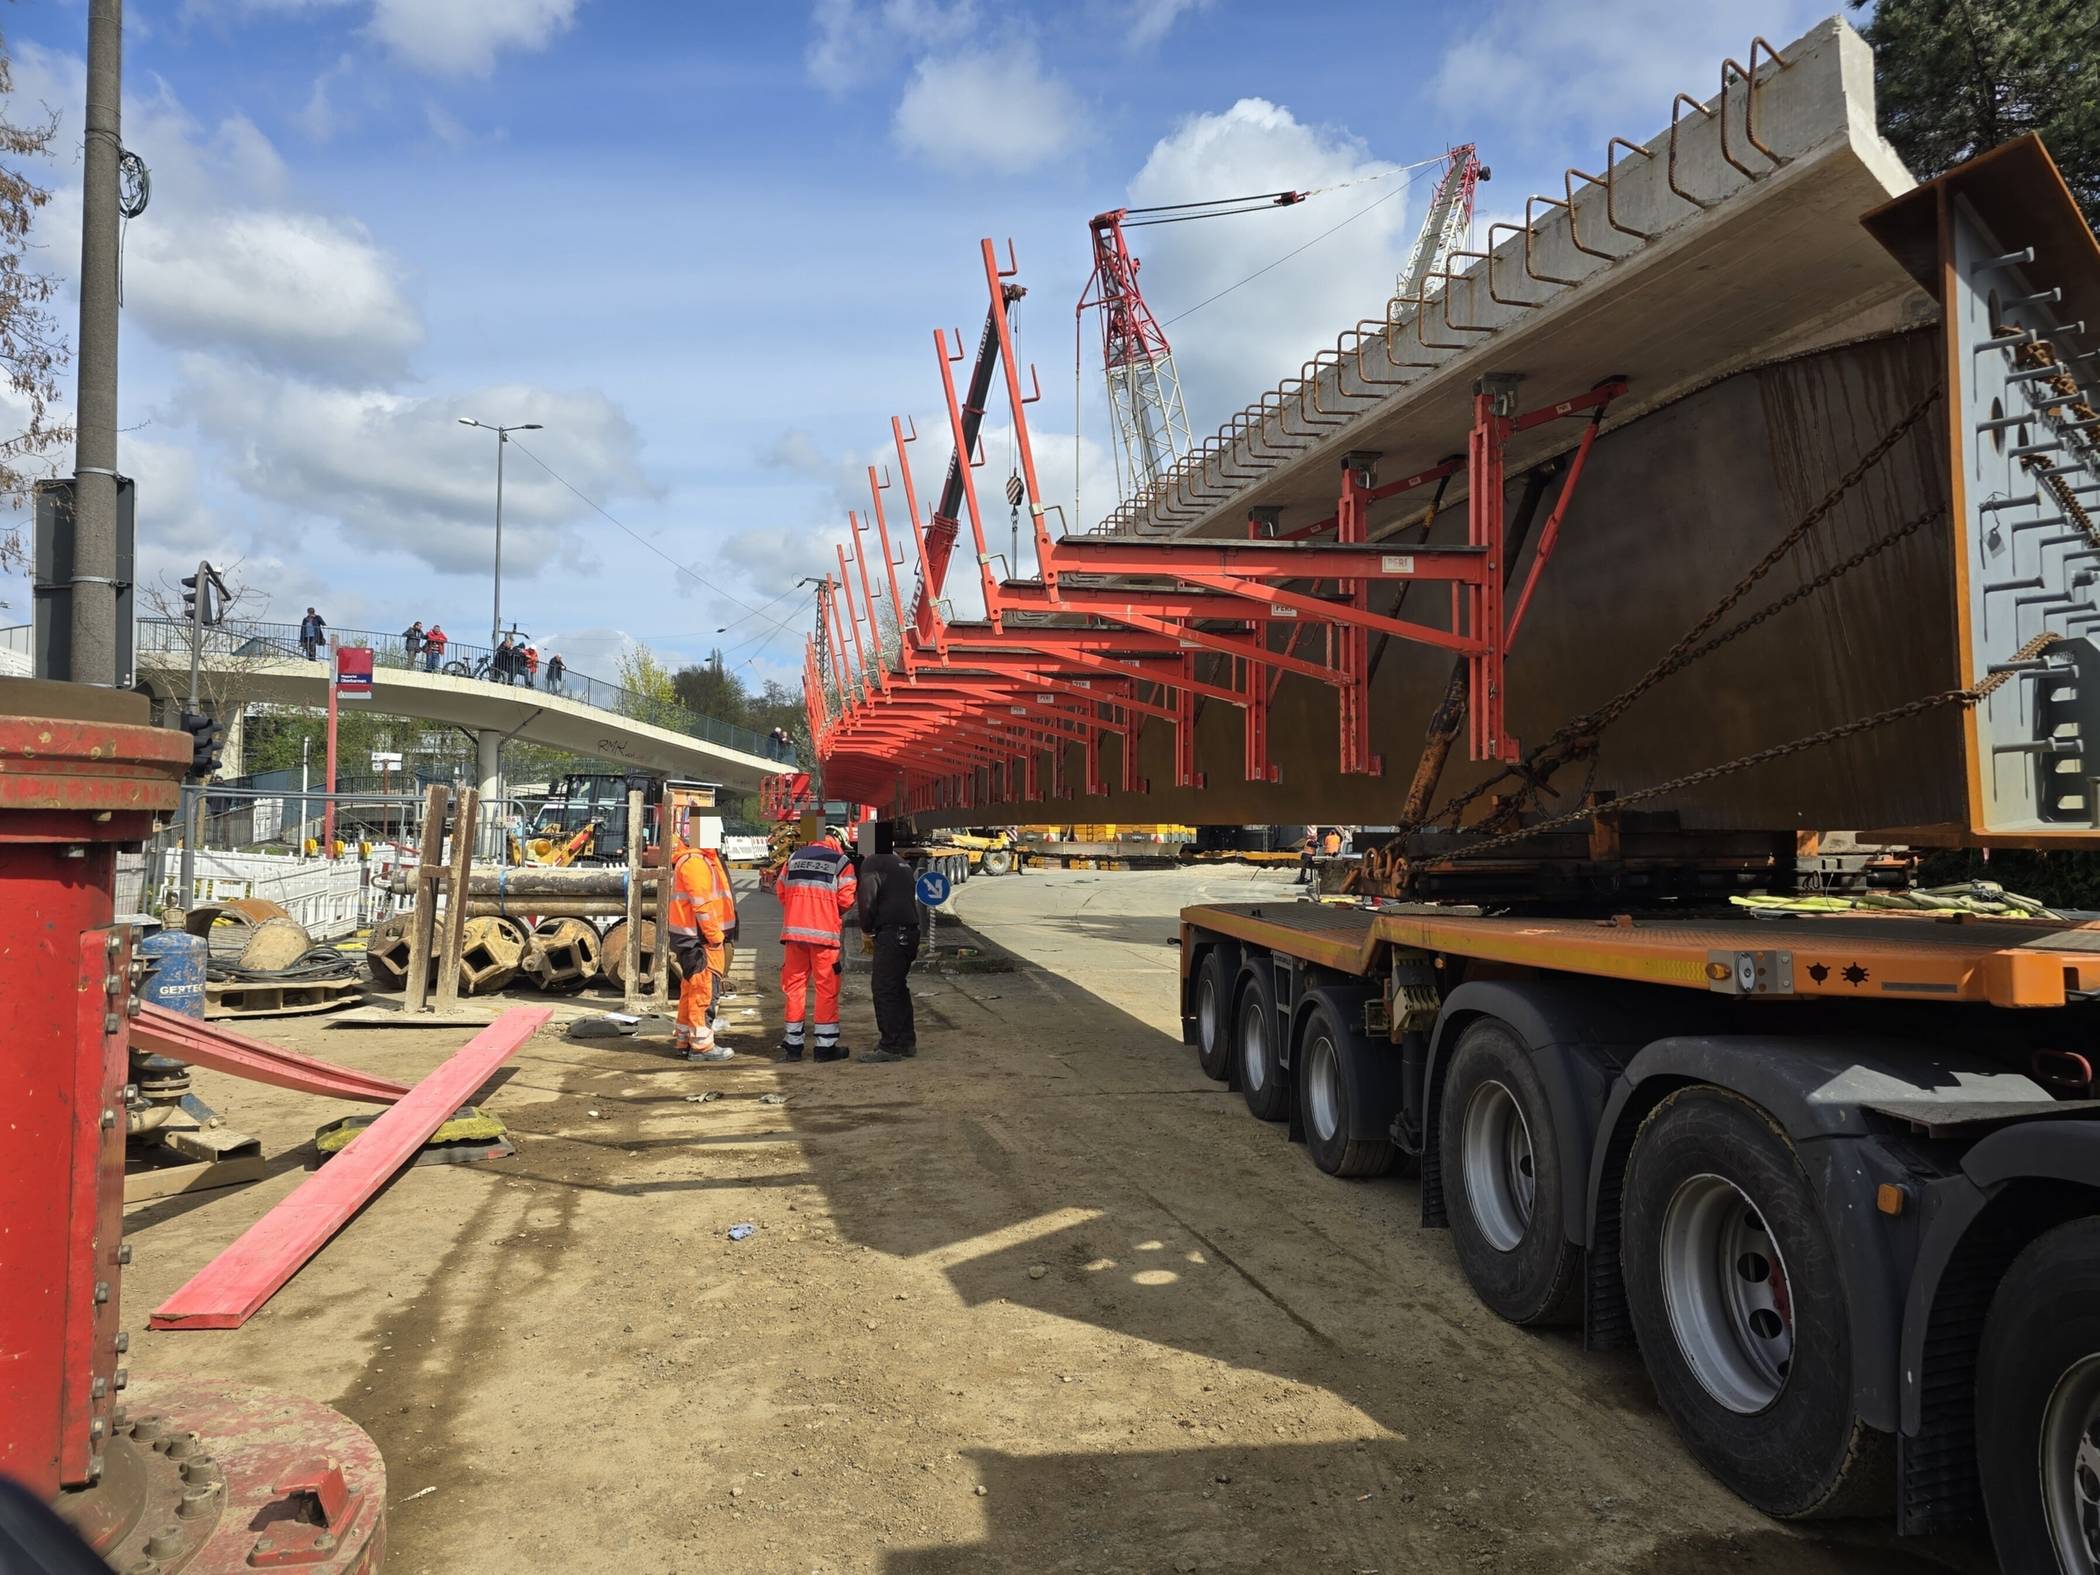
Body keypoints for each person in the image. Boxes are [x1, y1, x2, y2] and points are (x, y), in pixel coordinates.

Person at [776, 825, 857, 1062]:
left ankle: (793, 1046)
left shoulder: (793, 859)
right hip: (824, 938)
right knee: (826, 990)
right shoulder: (841, 863)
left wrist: (798, 912)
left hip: (794, 936)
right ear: (837, 841)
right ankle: (825, 1048)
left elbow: (781, 892)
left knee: (794, 989)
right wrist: (830, 913)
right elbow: (846, 899)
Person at [666, 831, 736, 1062]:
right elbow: (702, 905)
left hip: (692, 937)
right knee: (704, 991)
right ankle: (702, 1047)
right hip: (702, 938)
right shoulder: (696, 863)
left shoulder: (696, 859)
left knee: (692, 989)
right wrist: (715, 936)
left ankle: (685, 1040)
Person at [855, 823, 921, 1062]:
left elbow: (867, 899)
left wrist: (865, 928)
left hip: (892, 934)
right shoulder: (898, 861)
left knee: (883, 989)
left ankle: (891, 1046)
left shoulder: (873, 863)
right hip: (910, 933)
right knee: (897, 987)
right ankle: (905, 1041)